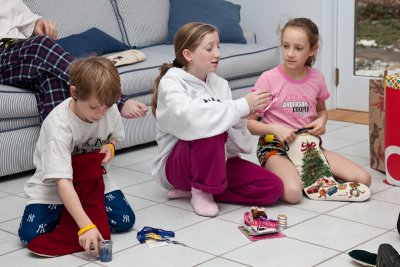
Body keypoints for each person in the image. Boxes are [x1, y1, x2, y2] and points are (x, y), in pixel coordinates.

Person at [151, 22, 284, 217]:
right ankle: (201, 191)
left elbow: (239, 143)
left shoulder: (220, 84)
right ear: (188, 55)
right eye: (209, 48)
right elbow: (191, 119)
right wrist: (238, 107)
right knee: (209, 126)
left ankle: (203, 187)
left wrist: (239, 116)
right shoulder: (172, 82)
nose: (217, 53)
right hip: (176, 168)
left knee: (272, 188)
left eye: (218, 46)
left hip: (217, 161)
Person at [18, 57, 135, 257]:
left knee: (124, 221)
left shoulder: (108, 108)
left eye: (106, 107)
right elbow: (62, 180)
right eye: (94, 107)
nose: (100, 114)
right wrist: (85, 227)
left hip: (93, 180)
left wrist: (111, 147)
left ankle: (74, 212)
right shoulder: (59, 126)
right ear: (74, 93)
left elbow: (115, 137)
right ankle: (70, 213)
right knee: (29, 235)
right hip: (55, 184)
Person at [247, 18, 371, 204]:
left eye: (298, 48)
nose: (289, 54)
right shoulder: (268, 79)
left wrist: (322, 121)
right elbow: (250, 123)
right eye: (285, 46)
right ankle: (295, 174)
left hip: (309, 148)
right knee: (292, 194)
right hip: (274, 148)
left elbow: (322, 111)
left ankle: (306, 175)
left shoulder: (316, 78)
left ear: (312, 50)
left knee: (364, 179)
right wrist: (274, 129)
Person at [0, 0, 147, 122]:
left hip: (17, 53)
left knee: (51, 79)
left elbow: (25, 21)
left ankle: (64, 151)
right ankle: (114, 98)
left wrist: (38, 24)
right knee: (41, 44)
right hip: (4, 55)